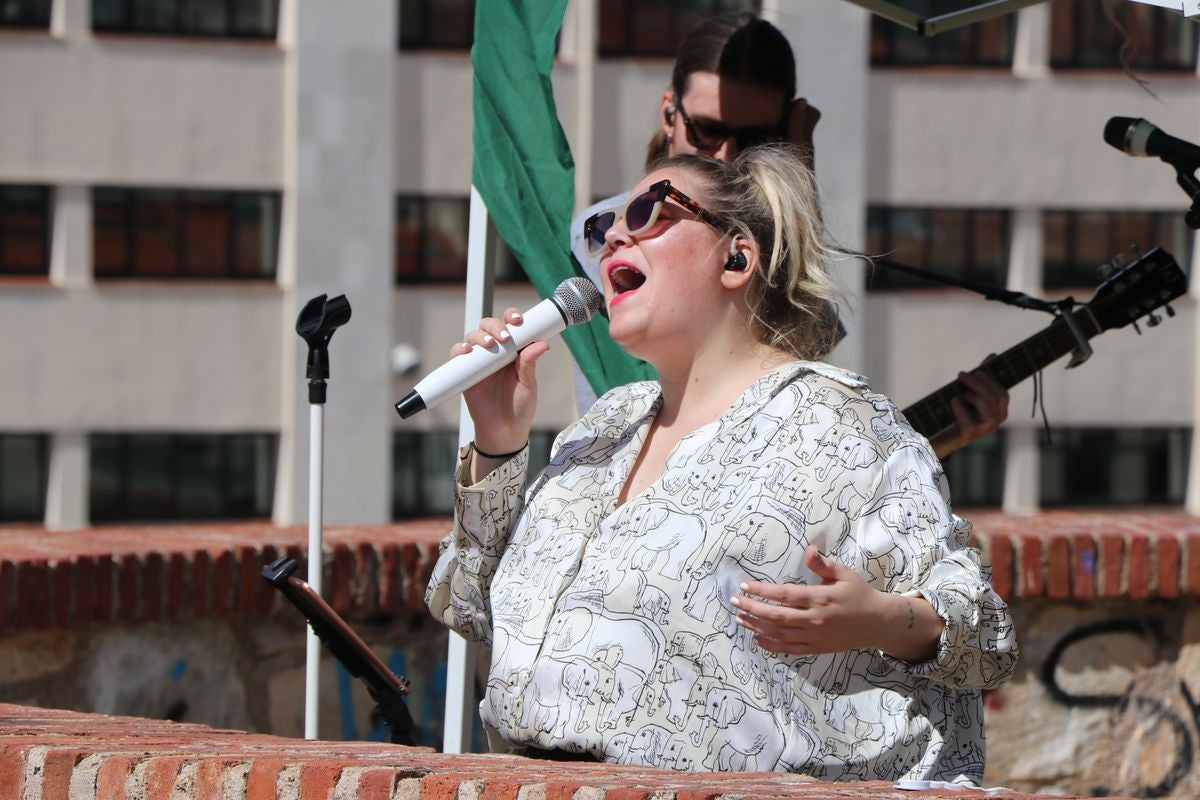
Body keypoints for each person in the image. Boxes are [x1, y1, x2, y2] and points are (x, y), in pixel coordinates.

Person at [426, 144, 1019, 783]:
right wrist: (498, 439)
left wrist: (878, 619)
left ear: (736, 256)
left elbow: (983, 636)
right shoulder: (605, 426)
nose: (613, 238)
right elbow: (468, 606)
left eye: (651, 211)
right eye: (601, 229)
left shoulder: (840, 425)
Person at [568, 12, 1009, 459]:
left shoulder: (773, 235)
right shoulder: (606, 231)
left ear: (788, 130)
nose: (728, 155)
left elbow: (793, 393)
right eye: (707, 130)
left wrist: (796, 186)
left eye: (756, 138)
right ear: (669, 113)